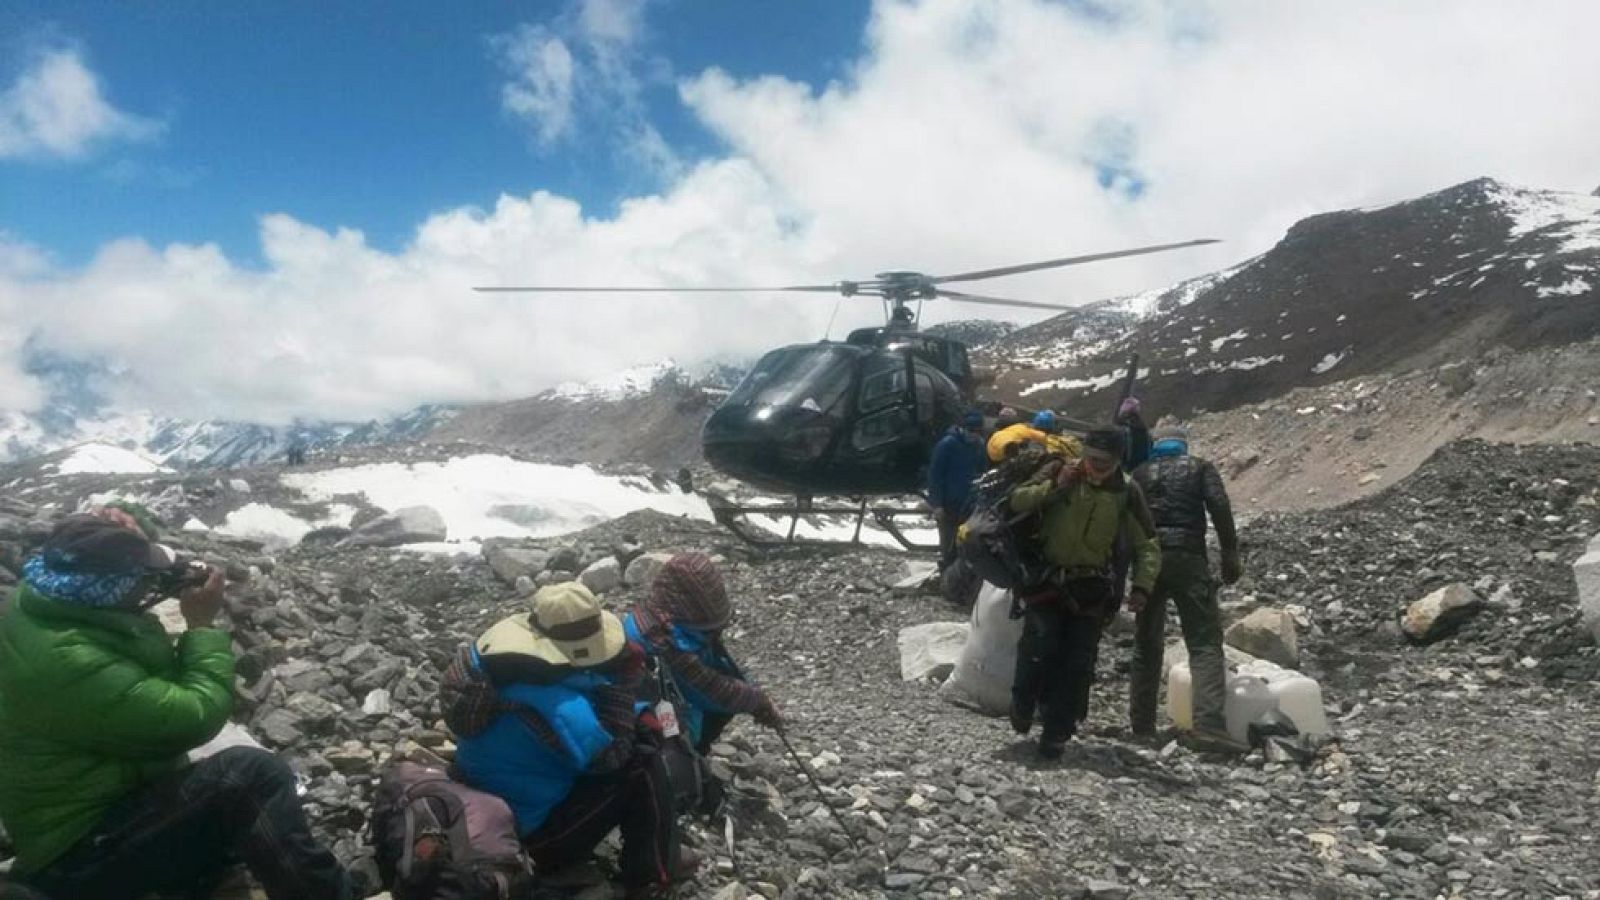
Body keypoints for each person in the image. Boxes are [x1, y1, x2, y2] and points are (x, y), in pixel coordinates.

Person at [0, 511, 365, 900]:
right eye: (139, 580)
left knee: (230, 804)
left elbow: (100, 544)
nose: (147, 588)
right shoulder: (68, 660)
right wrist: (202, 628)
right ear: (110, 588)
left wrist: (129, 529)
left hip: (85, 817)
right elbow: (193, 717)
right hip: (78, 856)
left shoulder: (48, 597)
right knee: (251, 775)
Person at [441, 582, 680, 900]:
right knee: (643, 762)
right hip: (528, 839)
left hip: (478, 806)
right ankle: (652, 874)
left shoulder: (499, 671)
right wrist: (625, 687)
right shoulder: (563, 710)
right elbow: (614, 757)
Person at [1007, 427, 1161, 760]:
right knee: (1039, 648)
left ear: (1118, 461)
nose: (1097, 467)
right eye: (1092, 459)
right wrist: (1055, 487)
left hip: (1091, 588)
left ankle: (1056, 733)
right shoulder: (1059, 471)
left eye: (1105, 462)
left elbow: (1147, 543)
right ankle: (1022, 704)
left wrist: (1142, 586)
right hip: (1046, 579)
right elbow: (1017, 500)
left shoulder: (1127, 492)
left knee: (1078, 664)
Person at [1129, 423, 1245, 752]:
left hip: (1148, 560)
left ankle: (1142, 724)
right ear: (1183, 446)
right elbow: (1219, 506)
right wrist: (1229, 553)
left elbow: (1127, 520)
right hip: (1189, 557)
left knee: (1146, 640)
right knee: (1204, 640)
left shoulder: (1139, 473)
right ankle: (1208, 724)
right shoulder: (1199, 468)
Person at [623, 552, 781, 753]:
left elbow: (712, 665)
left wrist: (748, 688)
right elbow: (711, 690)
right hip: (656, 722)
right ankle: (687, 756)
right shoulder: (664, 644)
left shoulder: (653, 616)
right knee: (722, 708)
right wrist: (758, 701)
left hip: (648, 707)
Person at [927, 411, 987, 571]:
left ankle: (961, 579)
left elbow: (982, 472)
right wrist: (937, 504)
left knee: (966, 544)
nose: (974, 435)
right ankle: (947, 575)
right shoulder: (947, 445)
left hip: (970, 504)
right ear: (963, 428)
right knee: (948, 544)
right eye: (971, 431)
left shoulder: (979, 446)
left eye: (977, 432)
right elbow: (935, 475)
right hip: (949, 504)